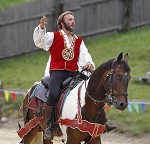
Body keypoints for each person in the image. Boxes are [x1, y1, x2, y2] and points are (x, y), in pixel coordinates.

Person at [33, 11, 116, 140]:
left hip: (74, 73)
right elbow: (40, 41)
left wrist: (88, 64)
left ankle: (103, 121)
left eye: (73, 19)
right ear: (62, 23)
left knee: (91, 90)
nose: (73, 21)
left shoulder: (79, 41)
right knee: (54, 93)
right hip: (57, 73)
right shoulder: (53, 36)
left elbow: (85, 55)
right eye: (70, 19)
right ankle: (49, 125)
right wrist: (42, 28)